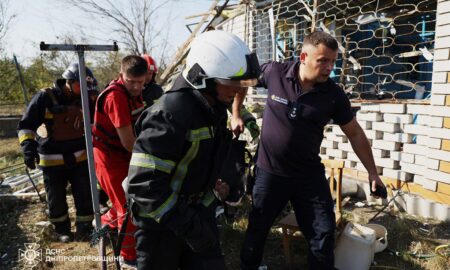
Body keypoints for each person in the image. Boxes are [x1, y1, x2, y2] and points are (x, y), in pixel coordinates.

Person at [239, 31, 387, 270]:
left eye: (333, 61)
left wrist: (372, 172)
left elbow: (355, 133)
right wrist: (236, 113)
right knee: (257, 228)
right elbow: (242, 81)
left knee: (323, 233)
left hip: (307, 176)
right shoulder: (275, 72)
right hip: (270, 172)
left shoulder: (333, 95)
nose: (329, 67)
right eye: (323, 61)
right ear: (304, 56)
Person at [126, 30, 261, 270]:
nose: (237, 90)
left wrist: (212, 184)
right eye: (231, 83)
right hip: (161, 228)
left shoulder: (212, 108)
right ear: (203, 77)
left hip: (196, 216)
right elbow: (144, 184)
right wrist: (191, 227)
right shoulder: (169, 114)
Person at [17, 63, 97, 243]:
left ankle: (85, 228)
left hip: (79, 157)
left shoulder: (85, 99)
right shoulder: (45, 98)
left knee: (85, 195)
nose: (84, 91)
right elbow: (26, 125)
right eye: (80, 86)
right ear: (69, 81)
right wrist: (28, 148)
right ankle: (62, 230)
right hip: (52, 160)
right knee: (56, 198)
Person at [92, 55, 147, 268]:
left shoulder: (138, 93)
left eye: (141, 82)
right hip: (109, 158)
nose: (136, 87)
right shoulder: (115, 97)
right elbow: (128, 141)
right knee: (127, 205)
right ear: (121, 74)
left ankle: (104, 226)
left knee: (123, 202)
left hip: (123, 156)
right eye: (131, 81)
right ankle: (127, 256)